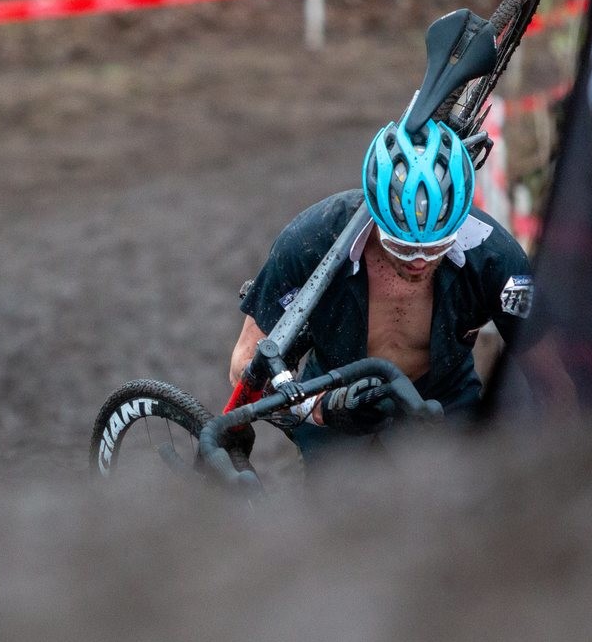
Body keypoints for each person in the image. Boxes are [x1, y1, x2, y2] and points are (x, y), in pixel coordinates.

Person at [228, 112, 534, 462]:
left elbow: (552, 371)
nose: (419, 260)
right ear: (375, 215)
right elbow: (243, 364)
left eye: (435, 248)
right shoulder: (310, 242)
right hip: (333, 403)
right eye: (401, 247)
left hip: (443, 402)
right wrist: (321, 409)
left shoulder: (494, 258)